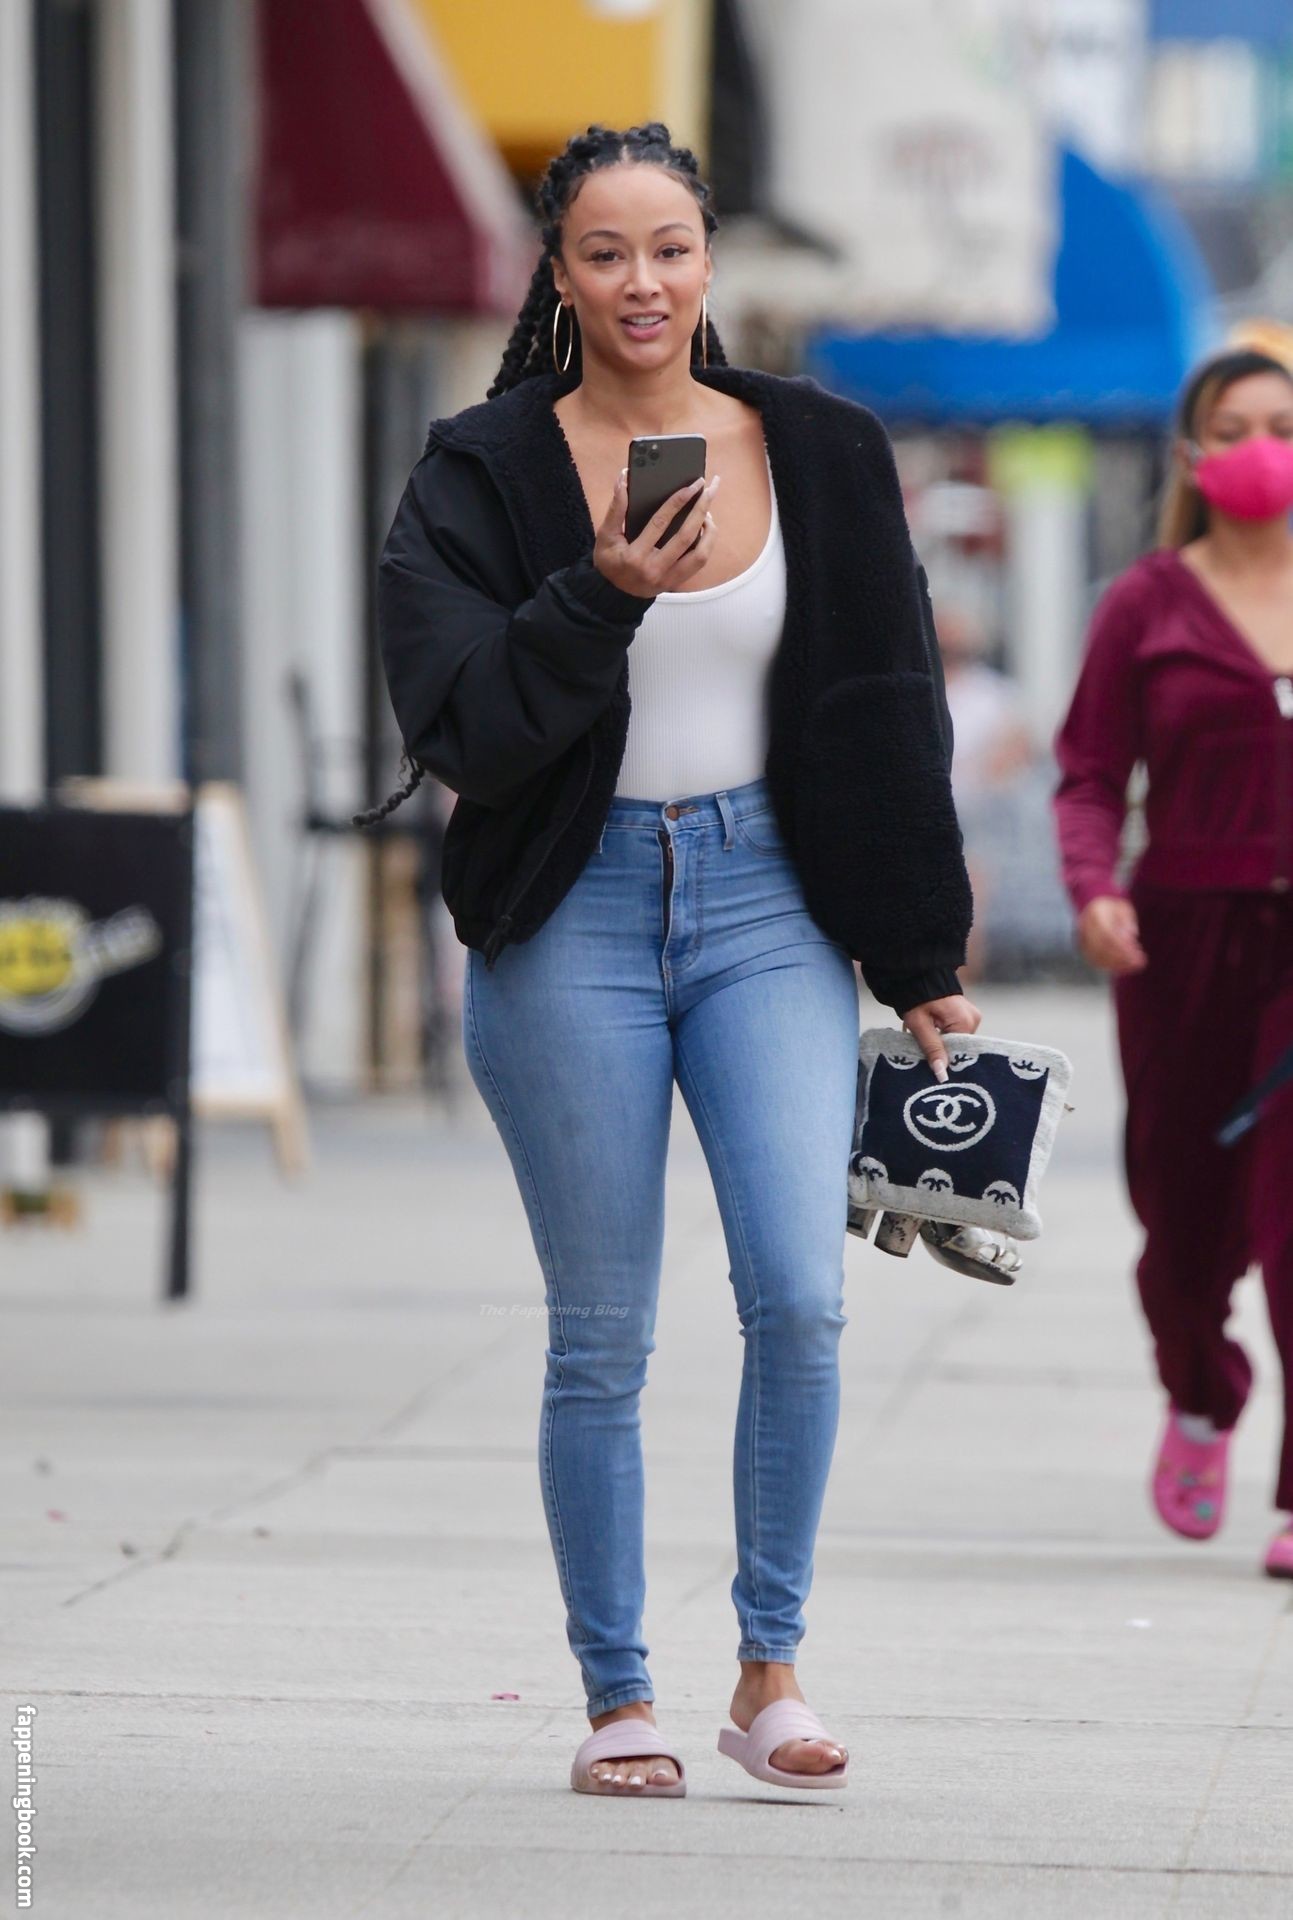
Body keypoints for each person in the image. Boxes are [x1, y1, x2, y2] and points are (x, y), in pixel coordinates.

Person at [368, 122, 977, 1797]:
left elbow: (889, 710)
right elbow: (458, 728)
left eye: (669, 249)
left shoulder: (823, 450)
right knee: (601, 1333)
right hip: (567, 909)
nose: (642, 282)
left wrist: (917, 951)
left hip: (768, 899)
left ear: (709, 261)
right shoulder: (479, 472)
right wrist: (597, 597)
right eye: (604, 253)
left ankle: (768, 1669)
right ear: (558, 276)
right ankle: (616, 1696)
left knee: (799, 1290)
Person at [1053, 347, 1293, 1581]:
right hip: (1183, 939)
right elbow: (1091, 773)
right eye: (1234, 427)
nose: (1261, 448)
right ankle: (1202, 1390)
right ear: (1194, 456)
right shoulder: (1146, 603)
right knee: (1183, 1226)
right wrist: (1094, 888)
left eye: (1282, 424)